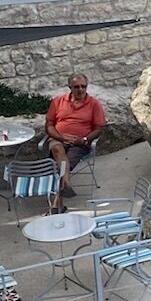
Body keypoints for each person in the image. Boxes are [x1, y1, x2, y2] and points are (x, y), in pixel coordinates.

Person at [43, 72, 106, 209]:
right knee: (57, 149)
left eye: (83, 86)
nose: (81, 90)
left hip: (80, 144)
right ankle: (65, 189)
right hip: (59, 140)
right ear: (70, 87)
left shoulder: (94, 104)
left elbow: (98, 129)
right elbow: (49, 125)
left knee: (64, 164)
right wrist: (61, 137)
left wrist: (84, 139)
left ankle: (57, 203)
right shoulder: (58, 101)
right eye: (76, 87)